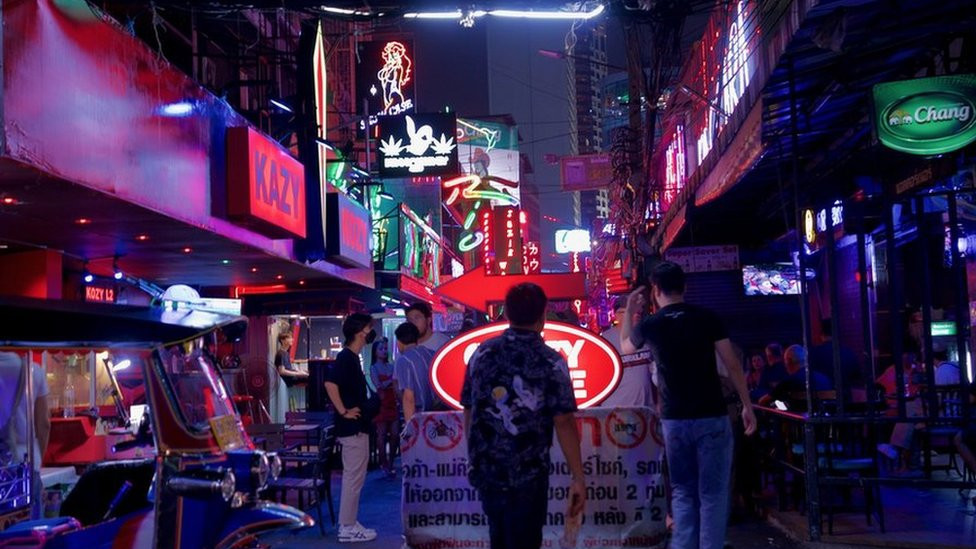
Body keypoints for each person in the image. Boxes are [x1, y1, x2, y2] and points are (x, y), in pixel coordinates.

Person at [621, 261, 756, 549]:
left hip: (674, 421)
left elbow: (625, 346)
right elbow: (732, 364)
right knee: (713, 494)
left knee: (682, 492)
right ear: (685, 287)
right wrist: (747, 406)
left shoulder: (651, 324)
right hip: (712, 416)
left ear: (655, 290)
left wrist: (632, 308)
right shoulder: (707, 317)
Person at [461, 283, 585, 549]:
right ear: (543, 316)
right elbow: (563, 421)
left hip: (488, 468)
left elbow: (469, 408)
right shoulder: (551, 361)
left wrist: (473, 456)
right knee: (526, 538)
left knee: (499, 534)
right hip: (529, 472)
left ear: (506, 313)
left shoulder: (482, 353)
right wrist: (578, 476)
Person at [324, 313, 378, 543]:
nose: (370, 333)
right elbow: (330, 383)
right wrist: (344, 411)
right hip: (351, 428)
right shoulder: (346, 357)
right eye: (368, 328)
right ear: (360, 331)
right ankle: (347, 526)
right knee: (353, 478)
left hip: (356, 426)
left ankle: (350, 522)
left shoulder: (352, 357)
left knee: (355, 477)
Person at [0, 352, 51, 519]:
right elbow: (44, 424)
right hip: (27, 463)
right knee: (30, 533)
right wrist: (38, 461)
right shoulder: (34, 371)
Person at [601, 296, 655, 408]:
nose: (636, 314)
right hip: (615, 410)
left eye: (638, 311)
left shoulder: (645, 337)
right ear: (617, 315)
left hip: (645, 409)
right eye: (631, 311)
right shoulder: (604, 341)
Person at [392, 322, 440, 422]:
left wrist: (410, 427)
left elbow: (409, 398)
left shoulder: (404, 360)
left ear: (399, 342)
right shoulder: (432, 354)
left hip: (419, 418)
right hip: (437, 414)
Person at [758, 345, 831, 409]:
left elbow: (763, 401)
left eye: (785, 361)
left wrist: (777, 405)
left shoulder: (789, 381)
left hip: (796, 423)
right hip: (823, 421)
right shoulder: (823, 378)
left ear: (789, 361)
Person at [368, 337, 399, 477]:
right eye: (381, 349)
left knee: (394, 434)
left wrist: (389, 383)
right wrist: (390, 382)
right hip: (381, 404)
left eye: (385, 348)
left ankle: (391, 462)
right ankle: (384, 463)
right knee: (381, 435)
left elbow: (395, 383)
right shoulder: (373, 367)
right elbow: (378, 386)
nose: (384, 351)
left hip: (393, 402)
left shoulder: (391, 366)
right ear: (375, 351)